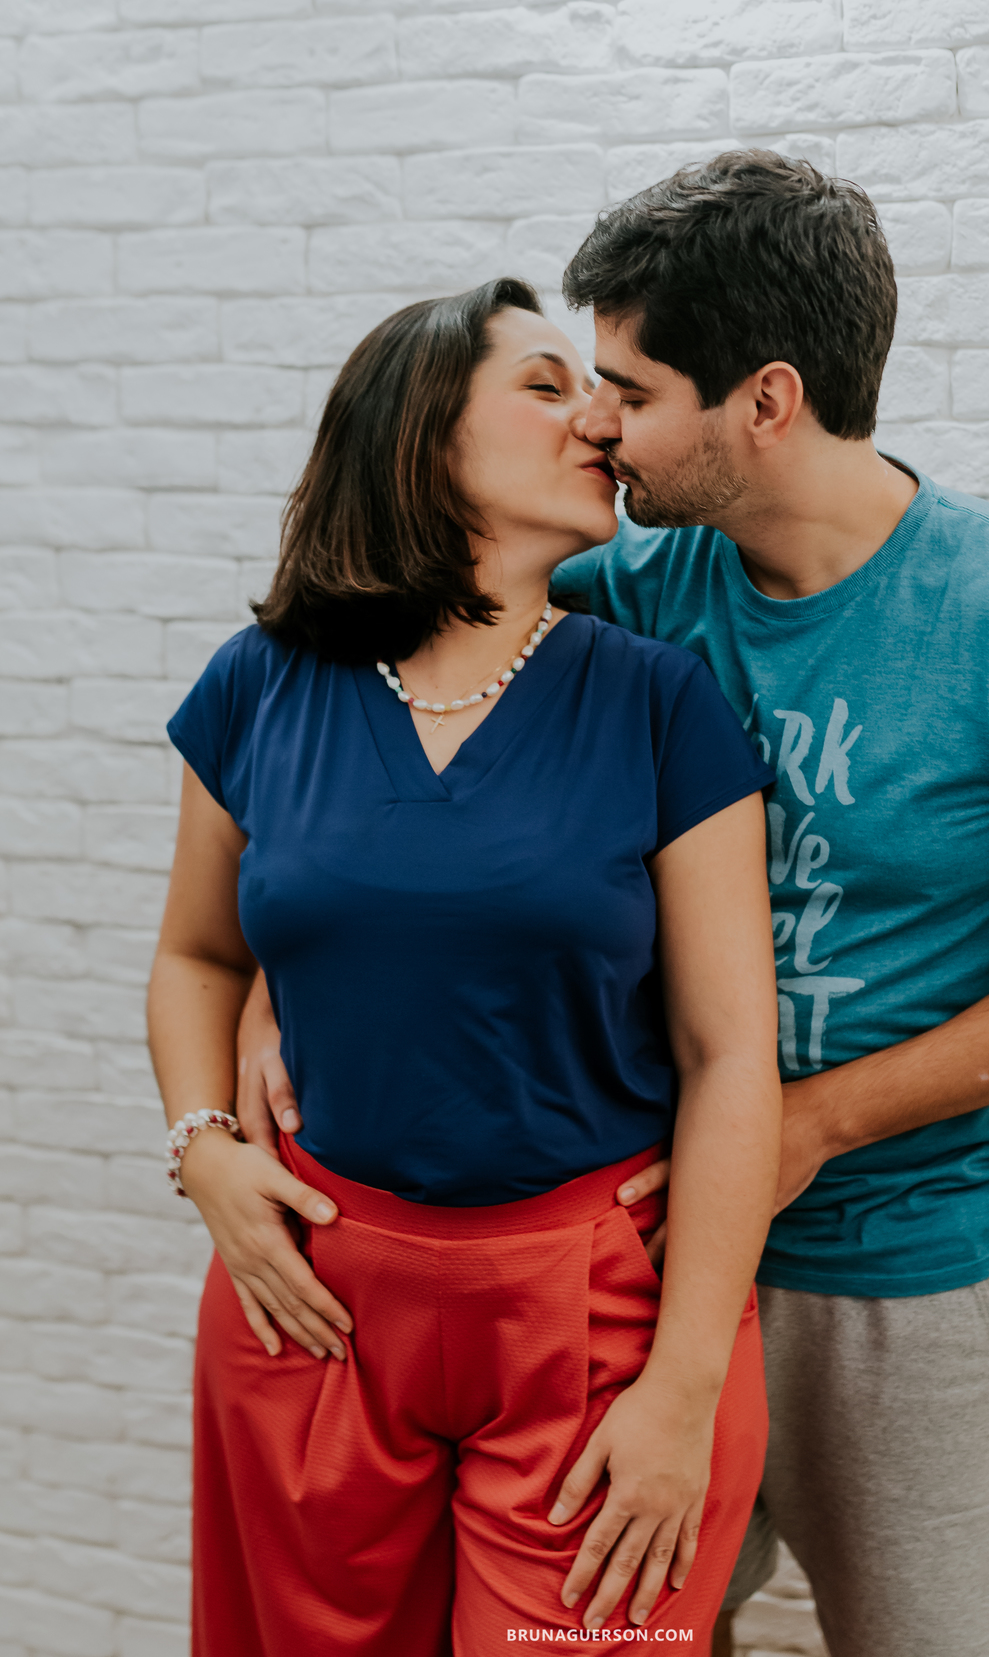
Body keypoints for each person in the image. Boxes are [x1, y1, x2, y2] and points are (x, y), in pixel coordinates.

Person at [241, 151, 989, 1657]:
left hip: (908, 1270)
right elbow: (393, 742)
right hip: (632, 1261)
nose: (600, 423)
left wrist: (814, 1123)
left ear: (765, 400)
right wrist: (262, 983)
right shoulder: (634, 587)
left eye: (629, 387)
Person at [147, 277, 783, 1657]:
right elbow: (198, 953)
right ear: (421, 434)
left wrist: (684, 1387)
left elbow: (733, 1053)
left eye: (597, 391)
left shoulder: (659, 701)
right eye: (548, 386)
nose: (599, 419)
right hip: (309, 1297)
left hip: (596, 1323)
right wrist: (204, 1151)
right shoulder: (260, 683)